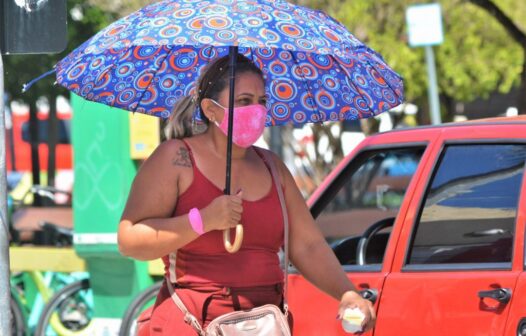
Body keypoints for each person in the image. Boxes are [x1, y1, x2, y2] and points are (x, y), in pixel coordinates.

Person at [117, 54, 376, 335]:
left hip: (264, 323)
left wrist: (347, 293)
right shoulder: (176, 158)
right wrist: (202, 220)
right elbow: (130, 239)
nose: (256, 110)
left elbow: (308, 246)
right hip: (191, 322)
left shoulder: (272, 166)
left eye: (262, 101)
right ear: (211, 109)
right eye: (244, 101)